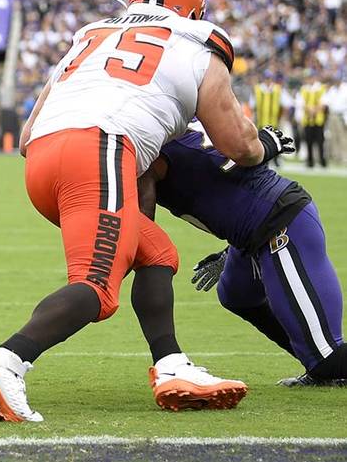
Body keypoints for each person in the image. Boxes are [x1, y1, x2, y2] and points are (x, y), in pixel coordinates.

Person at [0, 0, 292, 422]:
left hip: (43, 162)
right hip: (98, 153)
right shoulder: (198, 42)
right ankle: (7, 361)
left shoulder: (92, 35)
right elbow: (238, 145)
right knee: (97, 288)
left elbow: (25, 136)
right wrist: (264, 146)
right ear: (193, 9)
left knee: (157, 253)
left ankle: (171, 364)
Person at [138, 122, 345, 386]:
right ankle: (316, 362)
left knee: (328, 357)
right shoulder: (168, 129)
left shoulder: (154, 141)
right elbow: (221, 172)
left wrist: (261, 146)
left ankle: (323, 363)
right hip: (249, 233)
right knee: (236, 294)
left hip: (279, 221)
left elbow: (143, 216)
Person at [297, 75, 328, 168]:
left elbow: (324, 103)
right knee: (308, 141)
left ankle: (322, 160)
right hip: (307, 120)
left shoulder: (321, 88)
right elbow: (300, 103)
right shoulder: (303, 89)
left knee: (320, 141)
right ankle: (310, 160)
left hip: (318, 119)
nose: (310, 79)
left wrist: (314, 110)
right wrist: (308, 109)